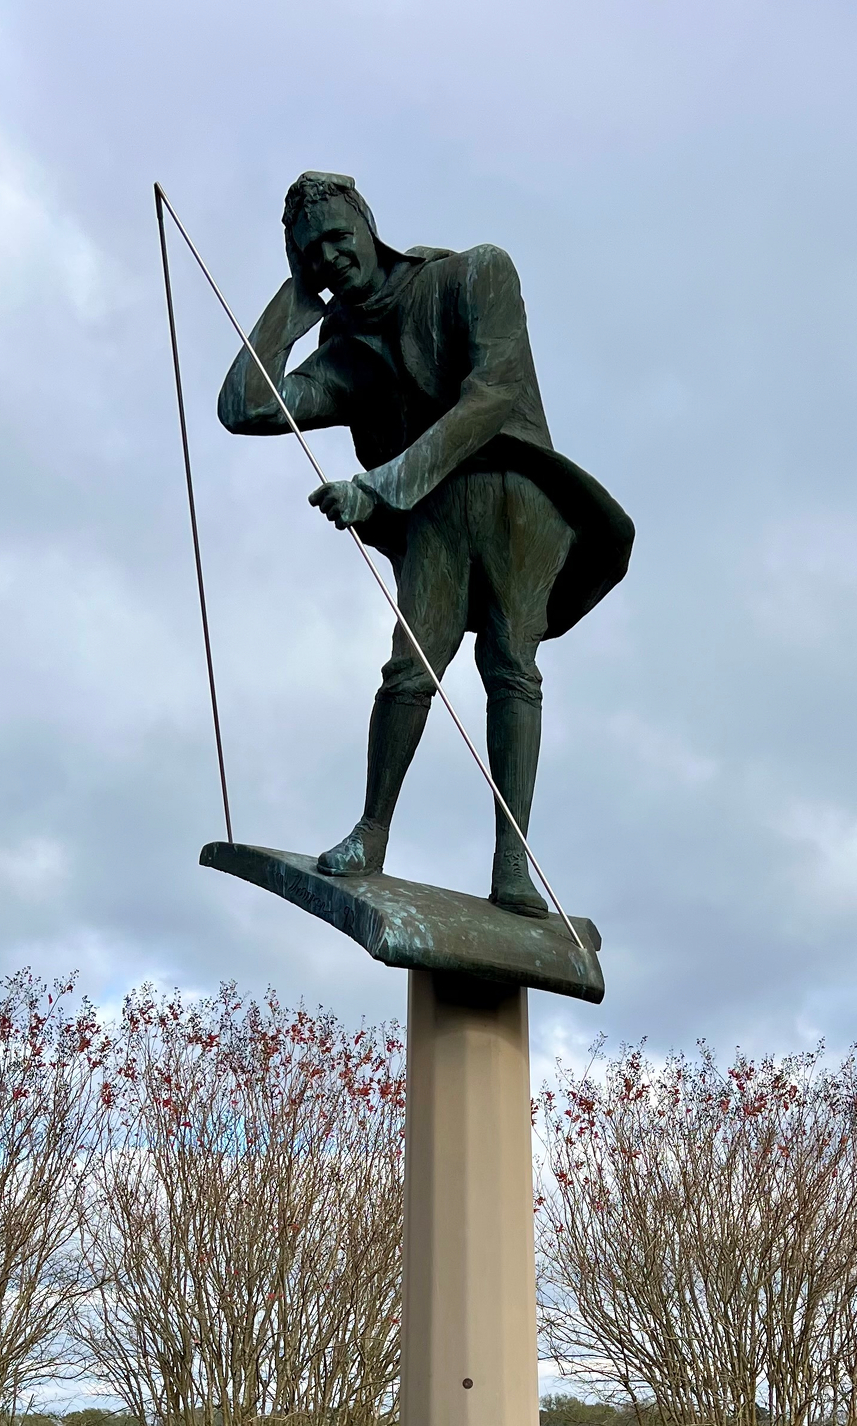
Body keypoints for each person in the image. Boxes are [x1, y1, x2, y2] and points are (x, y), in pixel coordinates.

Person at [218, 171, 633, 916]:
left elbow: (492, 394)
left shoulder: (476, 273)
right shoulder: (348, 351)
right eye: (311, 253)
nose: (329, 258)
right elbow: (246, 407)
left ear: (368, 225)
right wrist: (293, 304)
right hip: (434, 511)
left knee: (510, 665)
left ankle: (513, 863)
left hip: (517, 496)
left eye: (337, 238)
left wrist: (380, 487)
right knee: (409, 669)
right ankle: (371, 833)